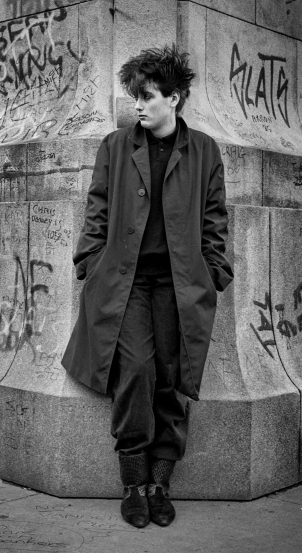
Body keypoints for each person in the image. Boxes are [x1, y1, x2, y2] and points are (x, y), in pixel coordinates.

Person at [61, 45, 234, 528]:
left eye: (148, 95)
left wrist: (214, 271)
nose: (138, 105)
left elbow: (214, 217)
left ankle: (161, 482)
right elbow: (97, 208)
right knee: (136, 369)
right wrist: (89, 262)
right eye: (135, 96)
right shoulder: (116, 146)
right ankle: (133, 482)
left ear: (174, 98)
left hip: (182, 284)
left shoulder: (204, 151)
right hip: (126, 281)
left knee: (173, 375)